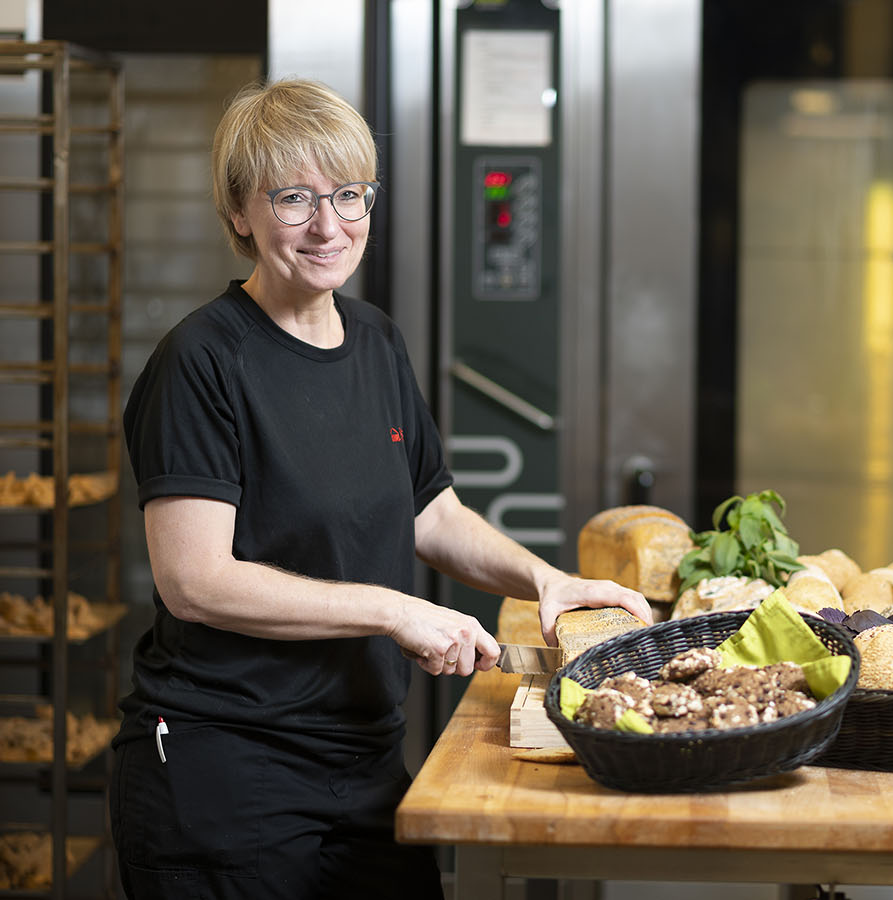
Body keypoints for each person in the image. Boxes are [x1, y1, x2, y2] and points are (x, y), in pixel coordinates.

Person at [108, 77, 651, 900]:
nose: (330, 225)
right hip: (225, 777)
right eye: (294, 198)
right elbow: (196, 582)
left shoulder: (374, 341)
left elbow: (432, 513)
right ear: (239, 212)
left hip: (361, 762)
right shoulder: (202, 363)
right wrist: (396, 610)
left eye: (349, 195)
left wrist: (547, 579)